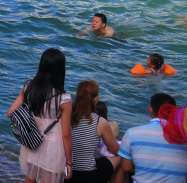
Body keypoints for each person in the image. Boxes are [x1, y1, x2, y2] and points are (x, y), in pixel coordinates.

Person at [6, 48, 72, 183]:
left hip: (33, 140)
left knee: (31, 178)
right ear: (60, 70)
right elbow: (66, 134)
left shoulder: (28, 87)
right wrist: (69, 163)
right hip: (53, 146)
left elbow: (10, 113)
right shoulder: (64, 99)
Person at [118, 92, 187, 183]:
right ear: (174, 112)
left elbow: (126, 167)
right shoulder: (184, 137)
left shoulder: (132, 133)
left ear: (150, 109)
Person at [68, 80, 120, 183]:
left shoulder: (65, 116)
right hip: (89, 176)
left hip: (66, 173)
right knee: (122, 157)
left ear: (76, 95)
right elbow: (116, 151)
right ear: (96, 99)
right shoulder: (100, 122)